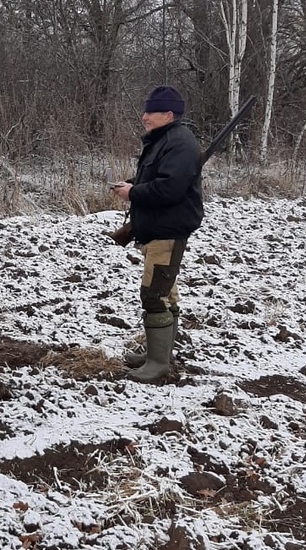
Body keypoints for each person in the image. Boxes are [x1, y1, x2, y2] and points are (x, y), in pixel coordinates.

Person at [111, 85, 204, 383]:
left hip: (167, 229)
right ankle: (158, 354)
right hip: (157, 228)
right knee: (166, 293)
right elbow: (158, 178)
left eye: (150, 112)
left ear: (168, 114)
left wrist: (133, 192)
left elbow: (169, 188)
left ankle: (157, 363)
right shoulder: (166, 140)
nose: (144, 117)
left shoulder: (179, 143)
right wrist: (133, 184)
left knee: (154, 295)